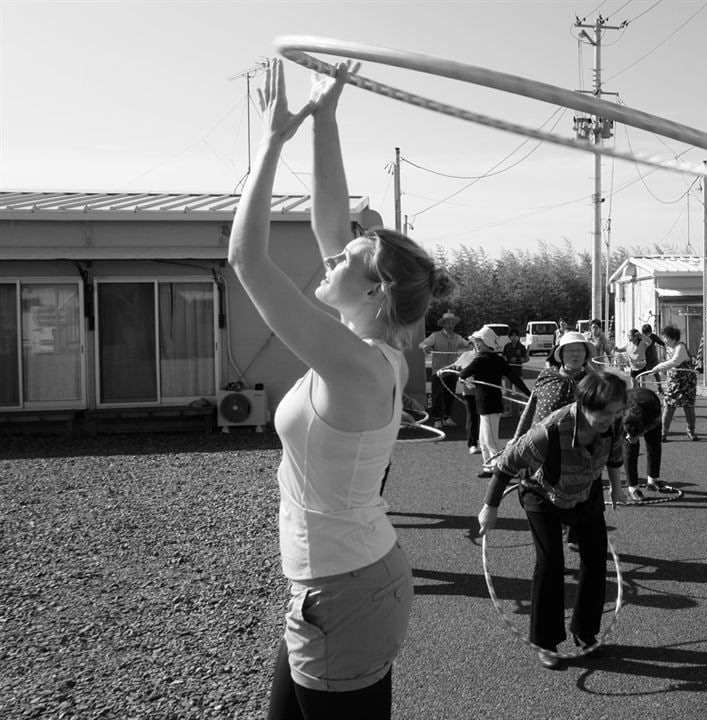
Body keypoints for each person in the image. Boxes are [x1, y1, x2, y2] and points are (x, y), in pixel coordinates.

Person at [233, 61, 451, 719]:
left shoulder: (356, 364)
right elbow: (333, 220)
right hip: (337, 587)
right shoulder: (365, 344)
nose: (333, 255)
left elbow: (247, 261)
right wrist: (325, 120)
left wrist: (272, 142)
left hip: (343, 593)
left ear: (377, 288)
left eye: (350, 259)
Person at [477, 372, 639, 669]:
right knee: (550, 563)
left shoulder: (612, 426)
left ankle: (585, 632)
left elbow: (615, 457)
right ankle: (545, 641)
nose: (611, 419)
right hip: (542, 495)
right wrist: (491, 507)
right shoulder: (549, 430)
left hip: (584, 492)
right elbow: (505, 465)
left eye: (617, 412)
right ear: (584, 404)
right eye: (604, 413)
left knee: (594, 559)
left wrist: (617, 487)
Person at [459, 326, 531, 477]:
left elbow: (464, 373)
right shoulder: (497, 360)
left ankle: (505, 470)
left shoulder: (481, 360)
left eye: (479, 341)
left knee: (491, 441)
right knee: (483, 440)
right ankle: (489, 468)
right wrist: (528, 393)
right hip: (486, 406)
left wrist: (529, 395)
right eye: (475, 342)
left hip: (489, 406)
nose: (476, 344)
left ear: (487, 343)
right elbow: (514, 377)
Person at [622, 386, 675, 501]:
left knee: (654, 444)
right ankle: (632, 487)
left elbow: (655, 423)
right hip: (628, 409)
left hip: (650, 404)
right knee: (630, 448)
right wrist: (631, 437)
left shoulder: (653, 411)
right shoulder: (620, 409)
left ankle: (652, 480)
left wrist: (641, 432)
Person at [648, 326, 698, 441]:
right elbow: (669, 362)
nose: (664, 340)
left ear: (673, 338)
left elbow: (674, 362)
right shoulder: (671, 348)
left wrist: (657, 367)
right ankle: (663, 433)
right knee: (669, 406)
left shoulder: (680, 347)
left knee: (688, 407)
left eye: (666, 338)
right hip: (674, 383)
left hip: (686, 383)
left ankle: (690, 431)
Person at [420, 311, 468, 428]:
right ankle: (437, 418)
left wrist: (472, 344)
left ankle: (446, 417)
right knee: (436, 395)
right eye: (448, 323)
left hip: (452, 370)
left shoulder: (457, 337)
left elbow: (467, 344)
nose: (450, 325)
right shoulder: (435, 336)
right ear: (443, 324)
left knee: (449, 395)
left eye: (452, 323)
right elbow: (422, 344)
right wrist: (426, 347)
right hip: (438, 371)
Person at [501, 327, 530, 418]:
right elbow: (503, 356)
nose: (513, 337)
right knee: (508, 392)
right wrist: (504, 359)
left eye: (515, 335)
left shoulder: (521, 347)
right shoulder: (507, 346)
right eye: (512, 336)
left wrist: (518, 359)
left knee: (520, 392)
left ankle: (522, 410)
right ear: (509, 337)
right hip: (508, 373)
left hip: (518, 373)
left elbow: (527, 358)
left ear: (518, 337)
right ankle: (507, 411)